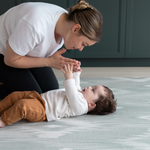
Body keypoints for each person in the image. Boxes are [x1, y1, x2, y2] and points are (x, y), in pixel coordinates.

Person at [0, 0, 103, 99]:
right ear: (75, 29)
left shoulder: (67, 23)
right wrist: (49, 62)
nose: (81, 49)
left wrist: (60, 62)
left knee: (51, 92)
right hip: (5, 54)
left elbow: (41, 47)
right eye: (83, 44)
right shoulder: (35, 26)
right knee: (35, 97)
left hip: (22, 52)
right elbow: (10, 60)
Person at [0, 63, 116, 128]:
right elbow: (75, 87)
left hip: (43, 110)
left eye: (93, 90)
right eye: (92, 86)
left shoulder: (81, 107)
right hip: (39, 97)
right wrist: (76, 73)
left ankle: (4, 120)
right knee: (15, 96)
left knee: (22, 105)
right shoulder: (80, 95)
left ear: (91, 104)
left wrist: (69, 77)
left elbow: (71, 91)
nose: (89, 87)